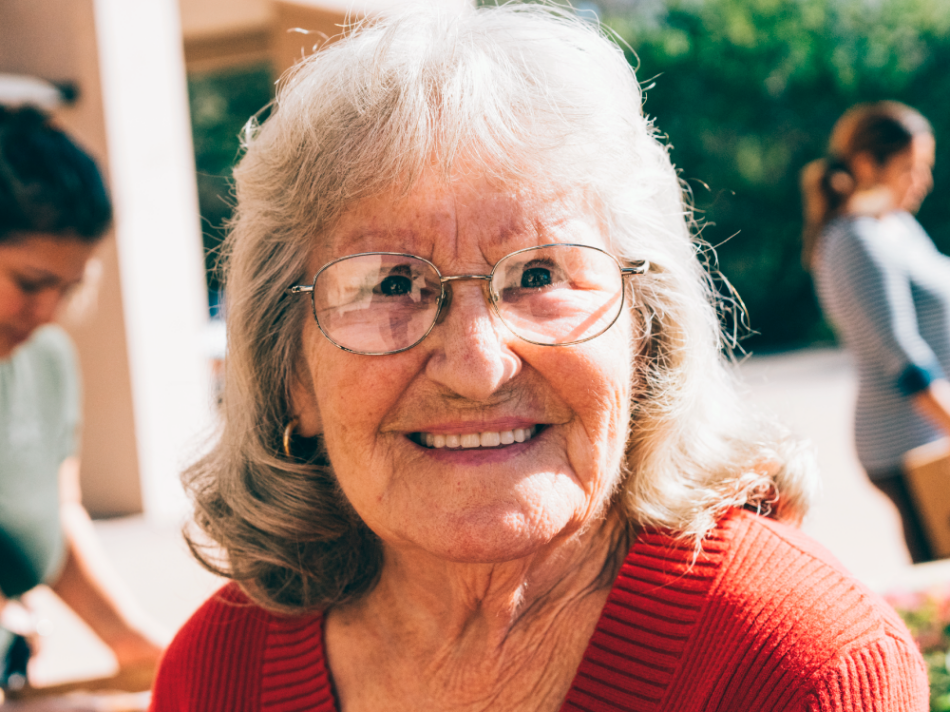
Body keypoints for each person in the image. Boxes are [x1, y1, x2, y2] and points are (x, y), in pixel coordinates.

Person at [151, 6, 928, 710]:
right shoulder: (220, 674)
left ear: (645, 338)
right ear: (293, 374)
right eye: (392, 283)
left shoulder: (801, 668)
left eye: (538, 276)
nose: (477, 365)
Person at [0, 106, 167, 691]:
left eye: (67, 289)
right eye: (29, 282)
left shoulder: (44, 360)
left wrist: (129, 642)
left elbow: (53, 514)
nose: (48, 313)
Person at [802, 101, 950, 564]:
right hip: (907, 444)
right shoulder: (856, 241)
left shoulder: (897, 226)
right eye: (910, 168)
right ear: (869, 164)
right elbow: (905, 362)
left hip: (932, 433)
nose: (921, 181)